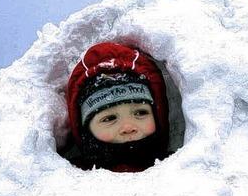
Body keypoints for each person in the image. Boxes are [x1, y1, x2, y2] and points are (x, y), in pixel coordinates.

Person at [66, 42, 170, 172]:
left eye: (141, 112)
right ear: (85, 131)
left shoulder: (183, 166)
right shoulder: (68, 177)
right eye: (109, 118)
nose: (128, 127)